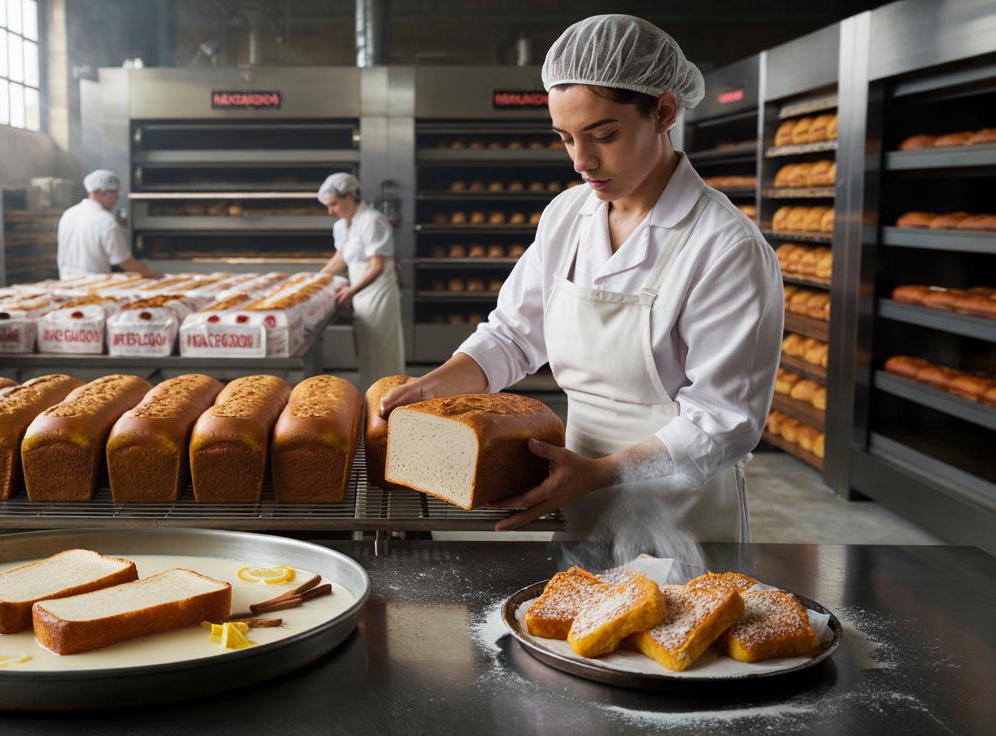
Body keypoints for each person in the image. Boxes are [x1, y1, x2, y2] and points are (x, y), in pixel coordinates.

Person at [382, 15, 783, 545]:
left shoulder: (725, 247)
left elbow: (723, 422)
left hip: (682, 510)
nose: (582, 161)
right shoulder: (568, 215)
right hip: (575, 493)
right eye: (566, 138)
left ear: (664, 111)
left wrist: (600, 473)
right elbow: (513, 336)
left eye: (604, 135)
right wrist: (429, 387)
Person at [317, 172, 406, 390]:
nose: (331, 211)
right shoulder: (341, 225)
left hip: (378, 291)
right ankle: (371, 393)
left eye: (334, 204)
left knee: (383, 346)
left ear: (349, 197)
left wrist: (350, 291)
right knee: (367, 347)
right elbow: (341, 257)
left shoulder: (373, 221)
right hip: (361, 292)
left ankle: (390, 393)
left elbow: (377, 265)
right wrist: (316, 280)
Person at [57, 169, 158, 279]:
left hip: (66, 282)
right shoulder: (105, 220)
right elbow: (124, 261)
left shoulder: (69, 214)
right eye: (115, 192)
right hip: (92, 286)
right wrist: (148, 272)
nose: (117, 198)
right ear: (101, 192)